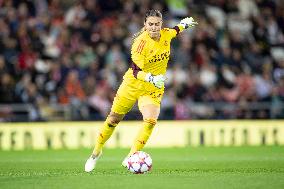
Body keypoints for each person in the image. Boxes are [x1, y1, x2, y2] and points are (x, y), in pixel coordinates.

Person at [85, 9, 197, 172]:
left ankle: (132, 155)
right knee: (113, 120)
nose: (153, 27)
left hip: (152, 88)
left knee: (151, 121)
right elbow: (136, 71)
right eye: (150, 24)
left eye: (157, 24)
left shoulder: (166, 34)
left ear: (161, 25)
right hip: (133, 84)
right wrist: (151, 77)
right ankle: (96, 152)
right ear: (145, 25)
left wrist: (183, 25)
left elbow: (174, 31)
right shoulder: (140, 43)